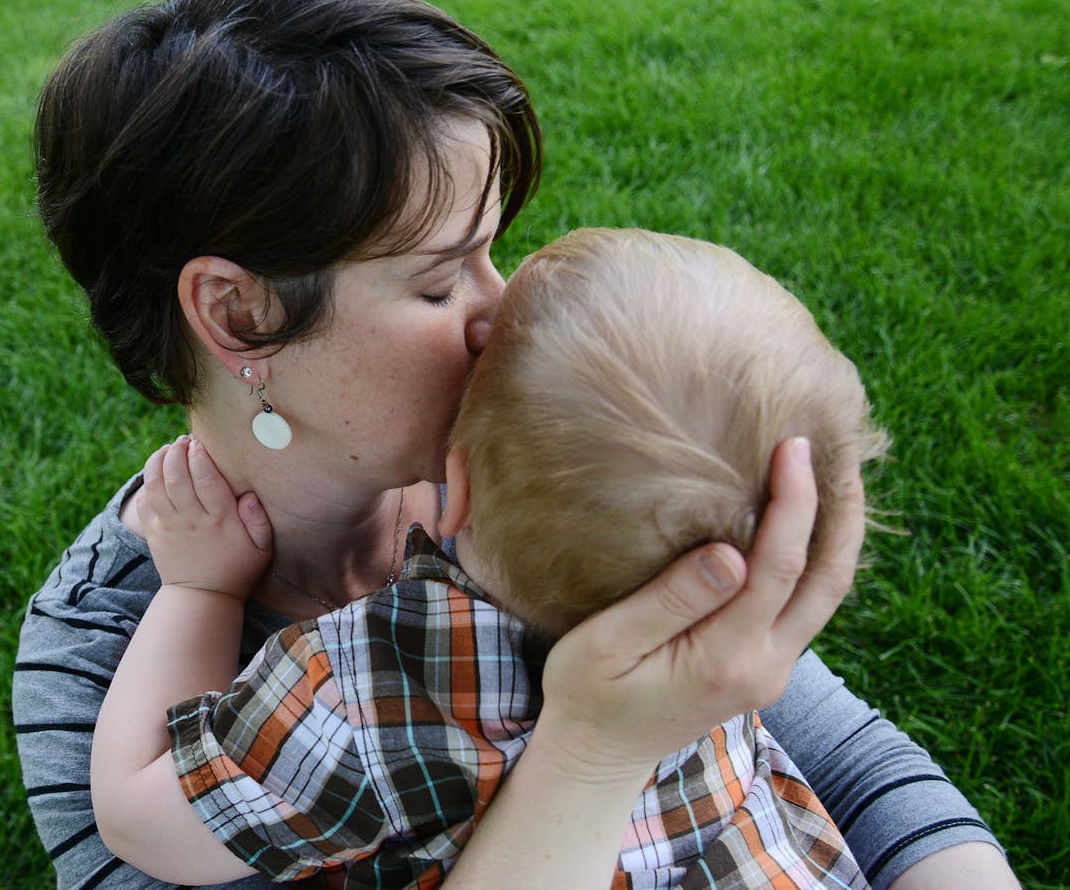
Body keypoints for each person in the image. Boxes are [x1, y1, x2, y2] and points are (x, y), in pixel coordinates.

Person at [12, 0, 1014, 890]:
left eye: (495, 251)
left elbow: (853, 769)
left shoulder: (562, 480)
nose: (500, 312)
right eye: (441, 277)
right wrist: (594, 747)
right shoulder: (95, 649)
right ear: (240, 313)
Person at [98, 227, 884, 888]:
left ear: (458, 480)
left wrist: (199, 588)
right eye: (441, 283)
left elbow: (140, 815)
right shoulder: (723, 643)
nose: (490, 306)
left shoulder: (365, 688)